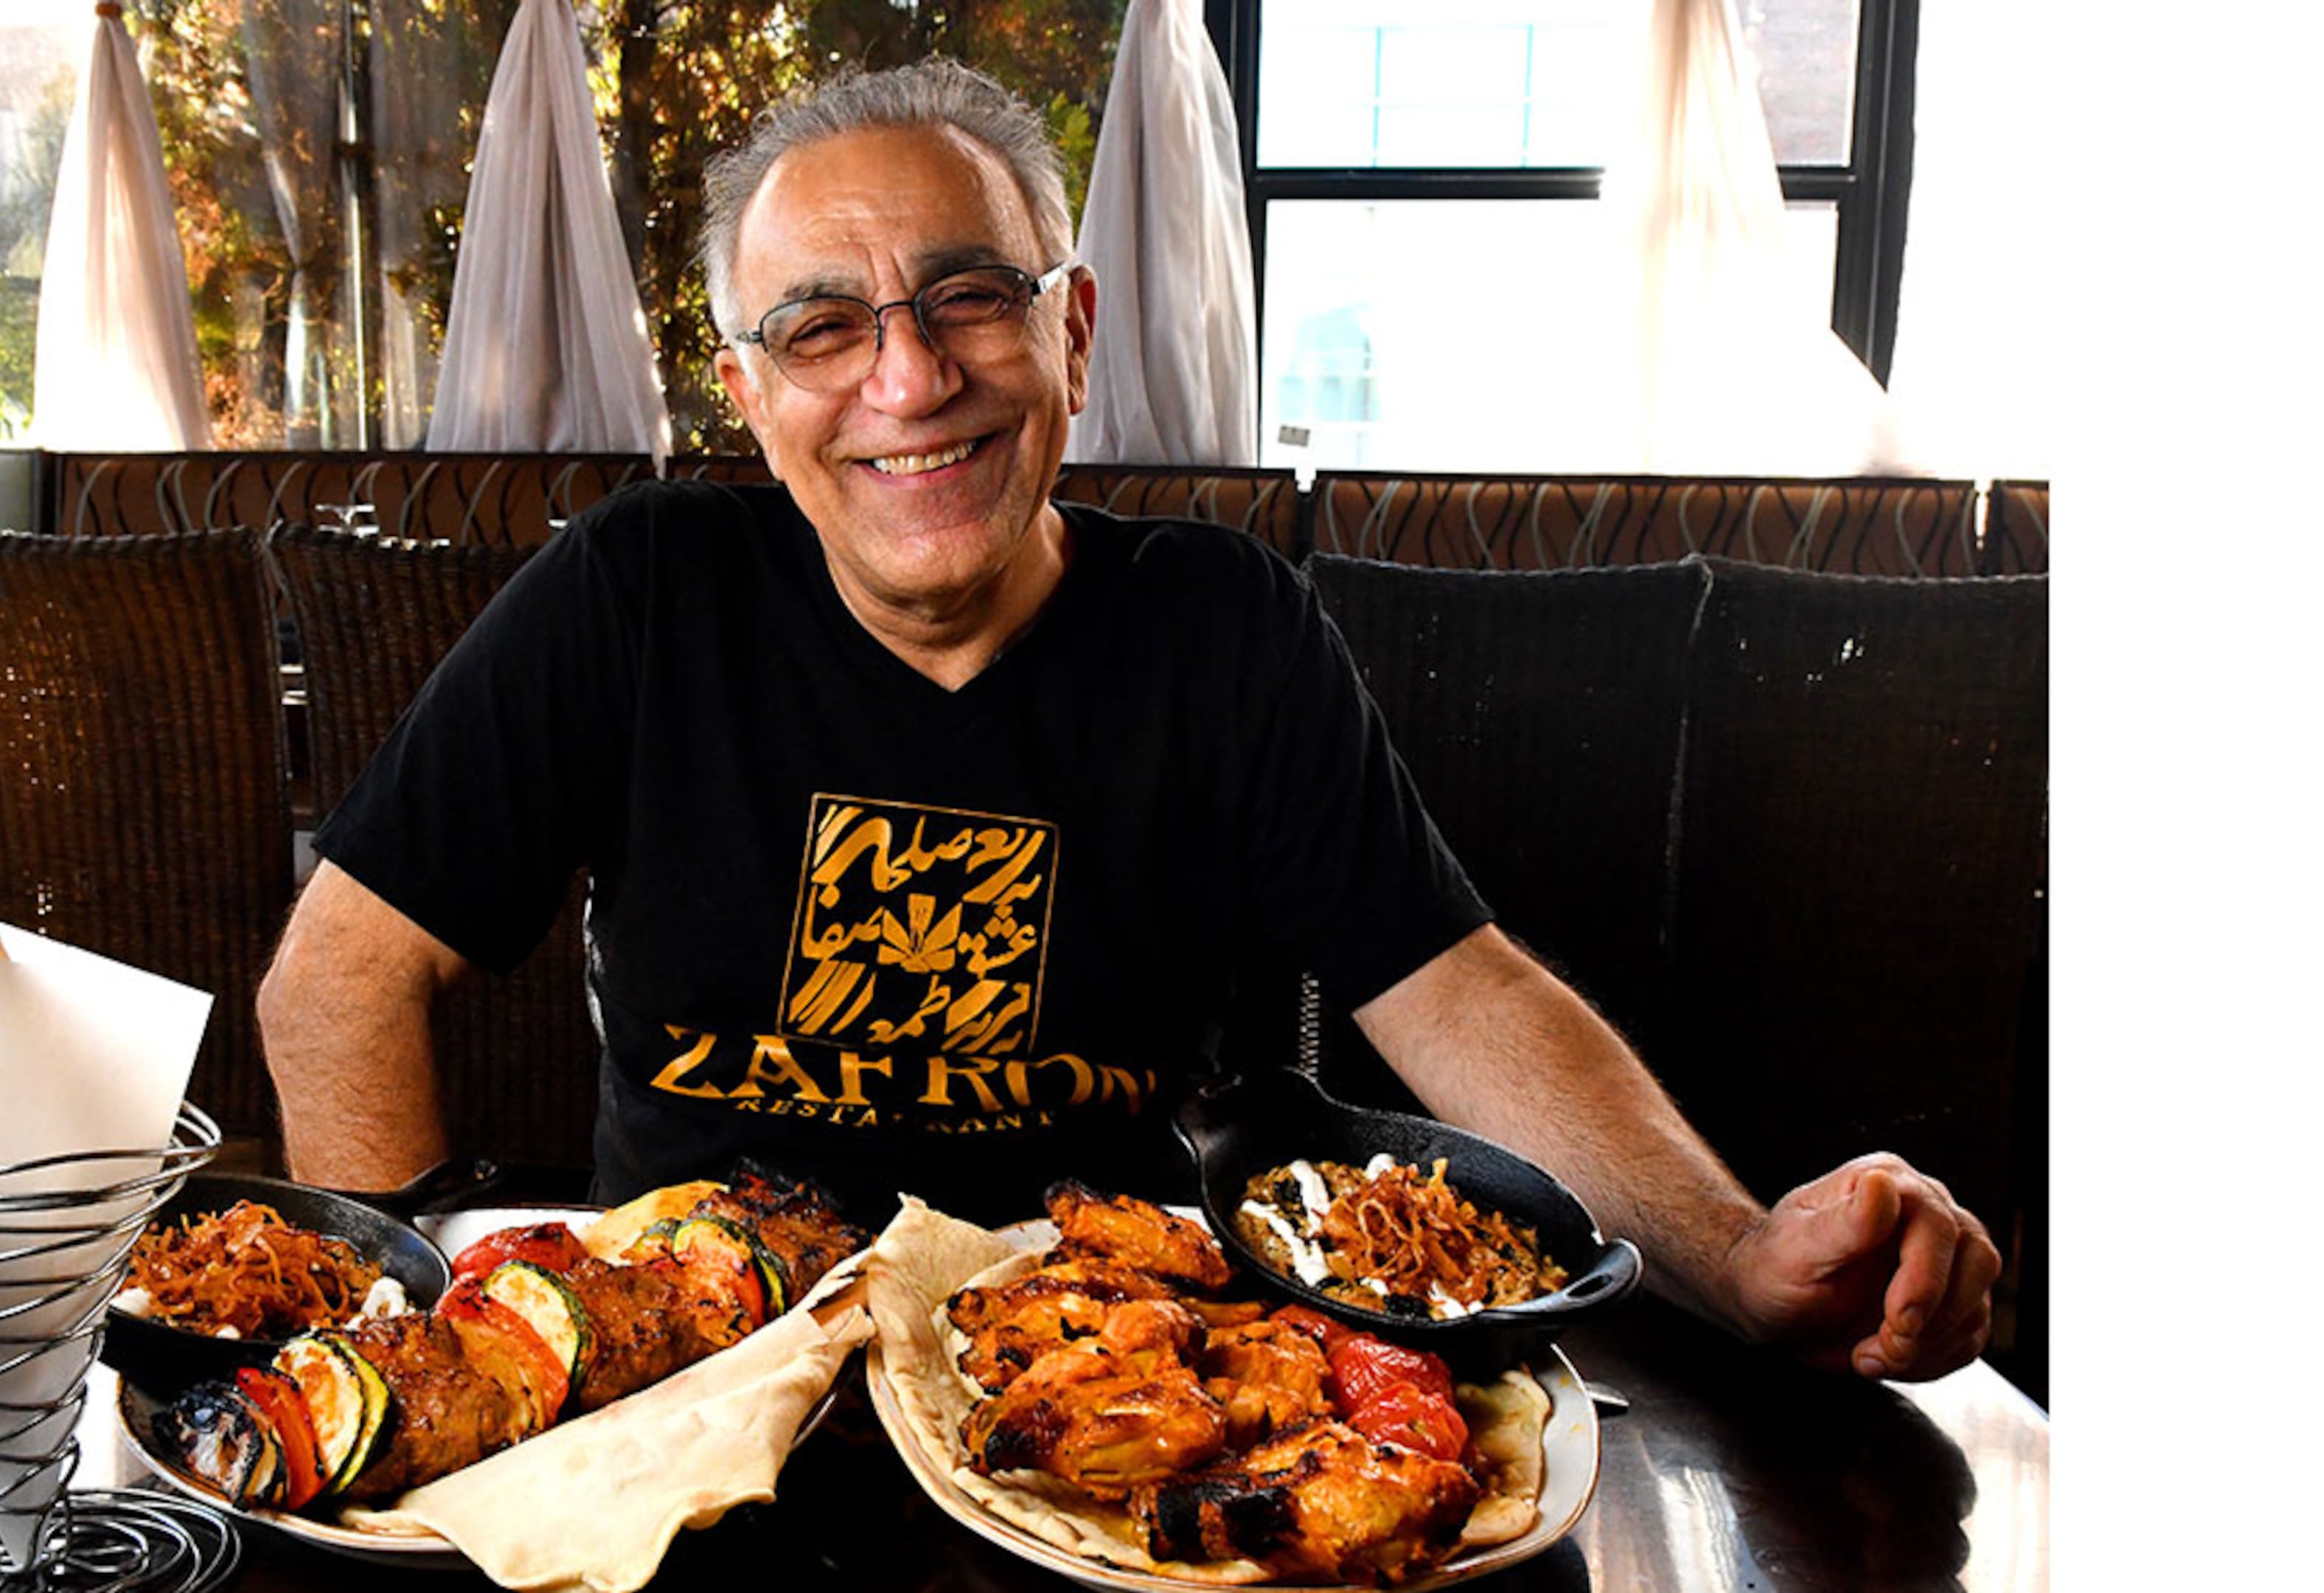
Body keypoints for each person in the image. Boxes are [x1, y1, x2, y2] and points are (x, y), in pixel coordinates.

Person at [260, 59, 2000, 1384]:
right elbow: (337, 978)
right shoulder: (639, 590)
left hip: (1116, 1357)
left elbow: (1455, 990)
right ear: (751, 396)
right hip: (711, 1357)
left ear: (1072, 330)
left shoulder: (1221, 623)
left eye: (967, 297)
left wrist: (1748, 1248)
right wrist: (437, 1363)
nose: (907, 379)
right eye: (821, 328)